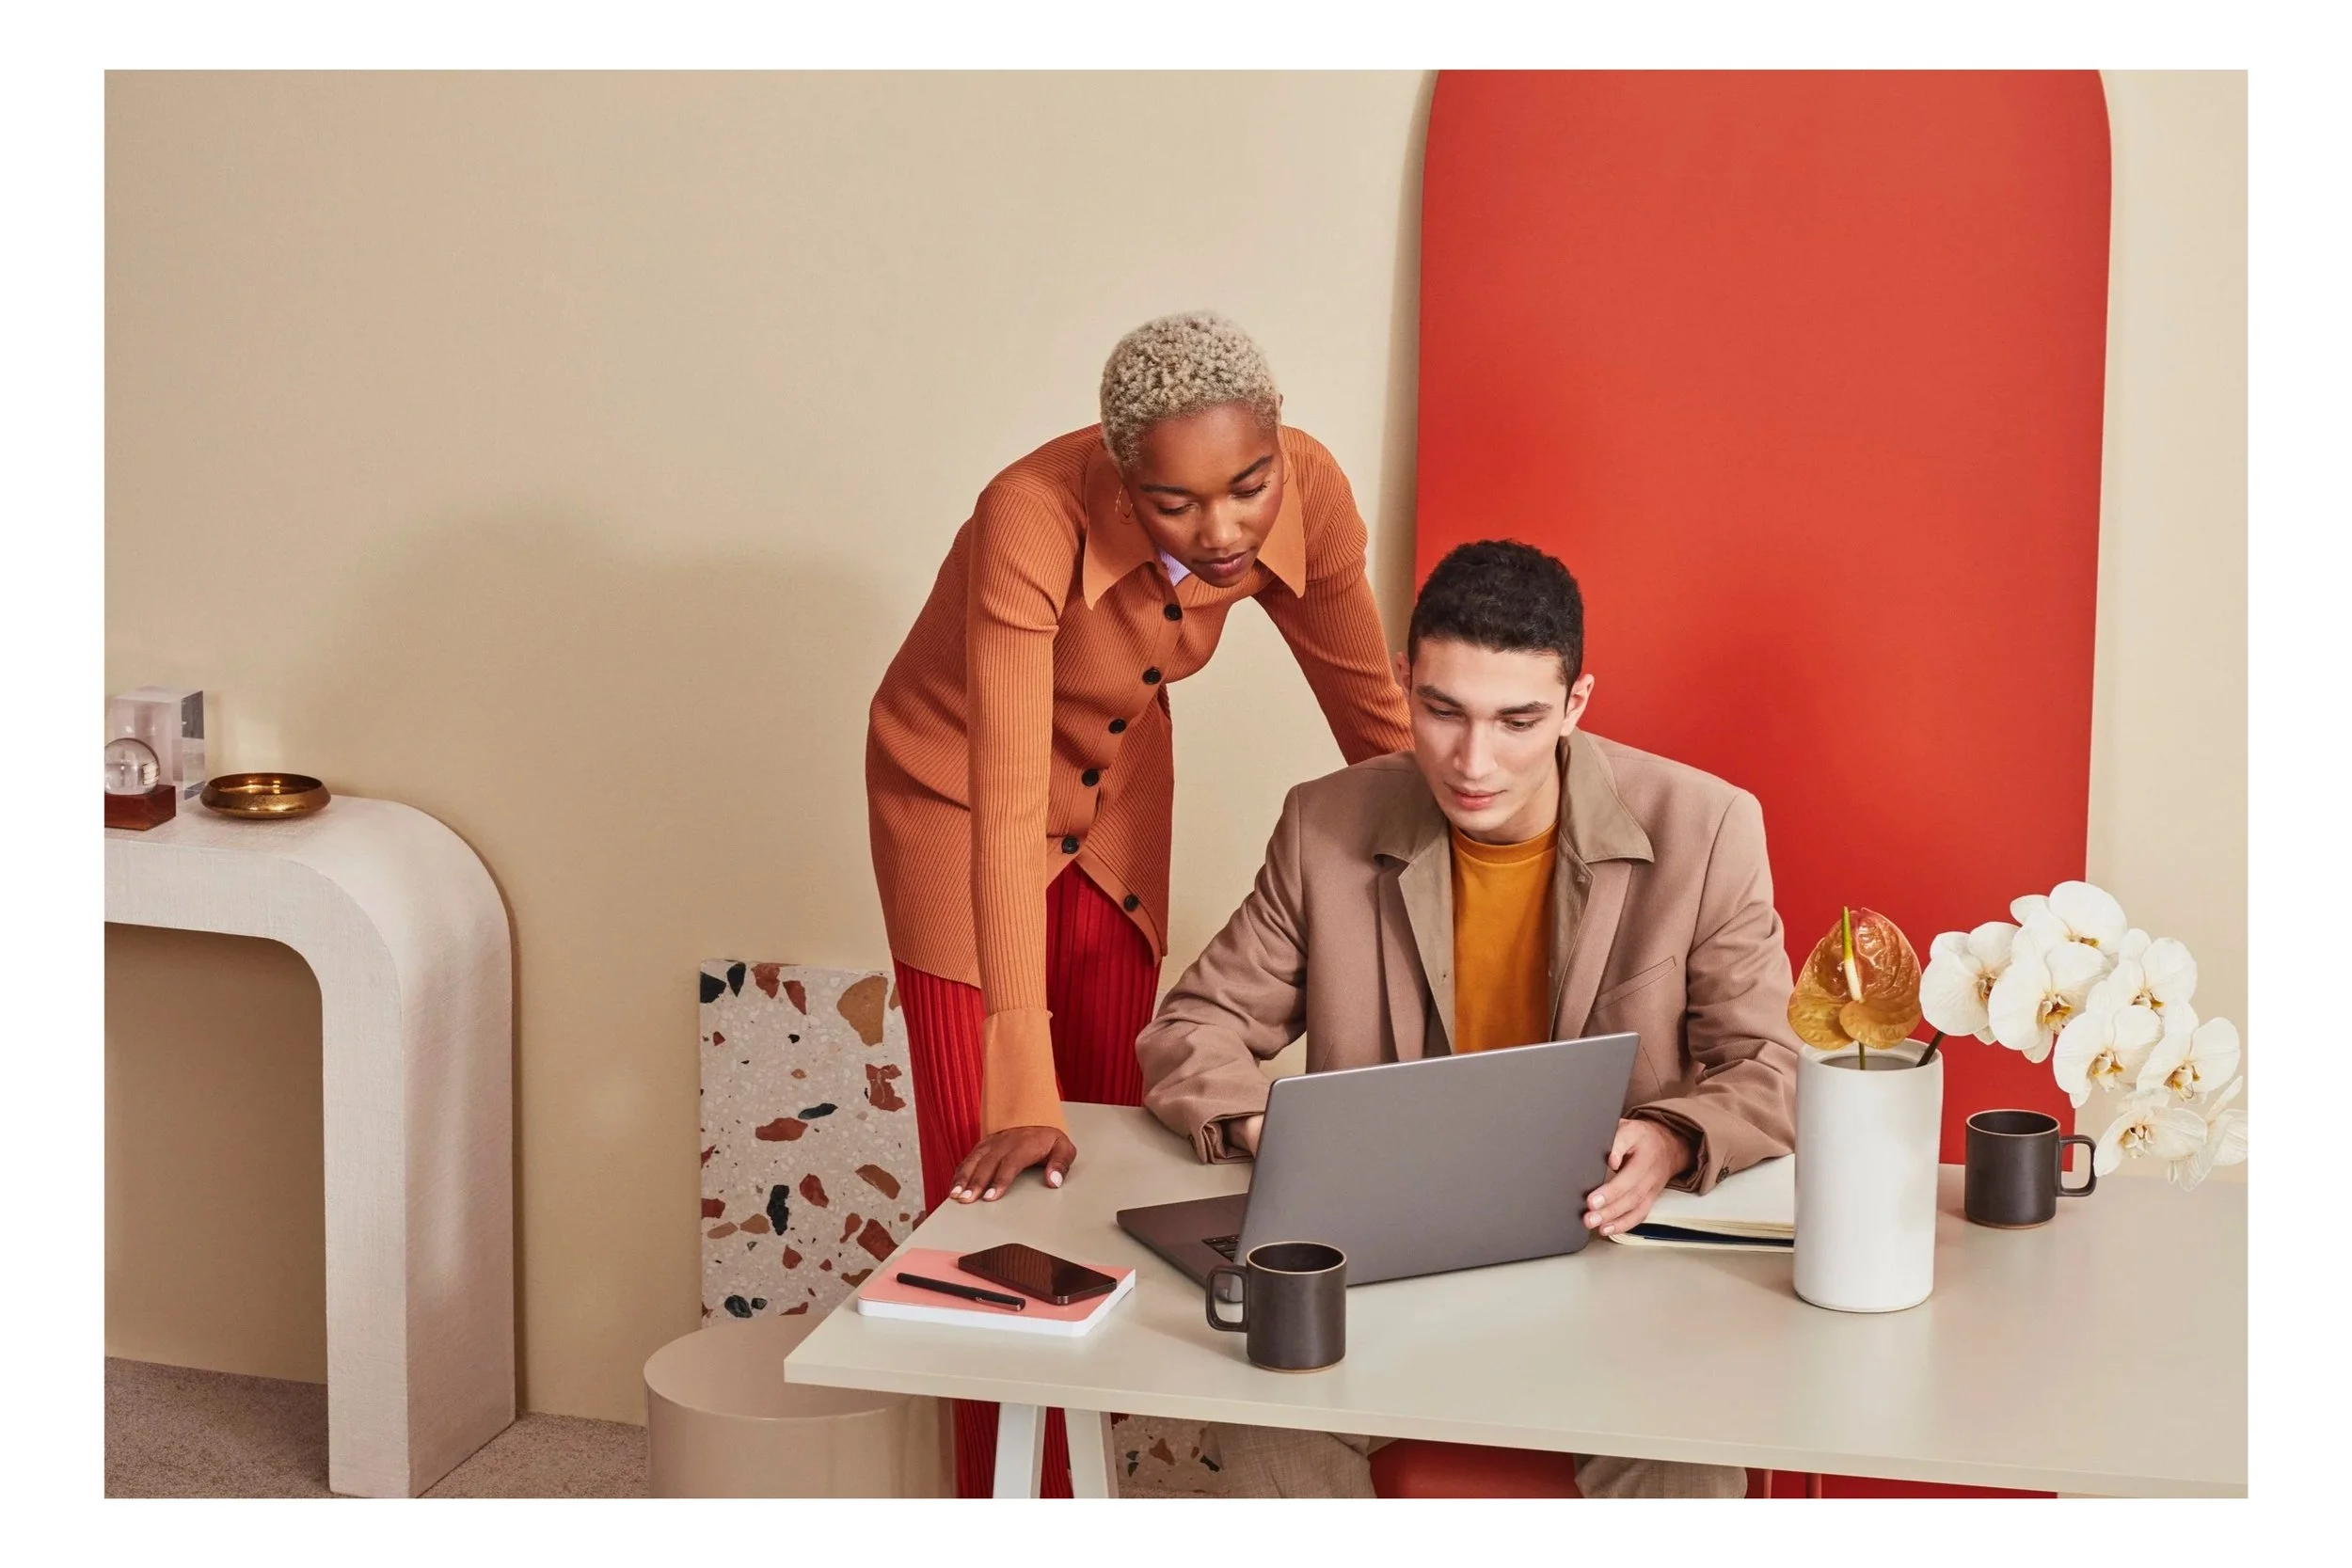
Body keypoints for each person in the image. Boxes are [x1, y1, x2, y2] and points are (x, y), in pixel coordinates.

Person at [865, 310, 1412, 1497]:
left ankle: (1094, 1489)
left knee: (1109, 1165)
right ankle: (1007, 1503)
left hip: (1115, 793)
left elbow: (1374, 719)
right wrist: (1018, 1066)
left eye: (1249, 485)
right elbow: (1006, 795)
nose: (1223, 530)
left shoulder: (1305, 487)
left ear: (1277, 446)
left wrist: (1491, 842)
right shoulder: (1028, 512)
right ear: (1122, 483)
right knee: (992, 1196)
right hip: (959, 800)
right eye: (1176, 504)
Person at [1136, 539, 1801, 1497]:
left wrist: (1667, 1134)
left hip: (1607, 1263)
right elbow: (1193, 1026)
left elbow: (1769, 1063)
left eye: (1516, 719)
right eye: (1441, 710)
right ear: (1405, 681)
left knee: (1687, 1465)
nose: (1471, 759)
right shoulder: (1324, 821)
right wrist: (1262, 1124)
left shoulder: (1707, 824)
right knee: (1263, 1445)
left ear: (1576, 704)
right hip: (1379, 1266)